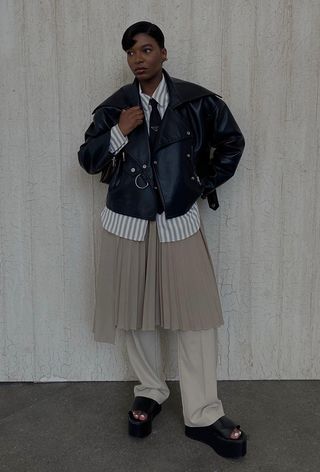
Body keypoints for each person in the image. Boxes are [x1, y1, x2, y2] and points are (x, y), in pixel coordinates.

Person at [78, 21, 247, 458]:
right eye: (131, 52)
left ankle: (204, 414)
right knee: (135, 314)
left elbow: (231, 142)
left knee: (196, 315)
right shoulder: (114, 108)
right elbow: (88, 159)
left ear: (163, 54)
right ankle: (150, 390)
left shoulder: (198, 102)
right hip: (127, 221)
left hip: (178, 221)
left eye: (147, 49)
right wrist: (119, 131)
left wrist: (199, 183)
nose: (138, 58)